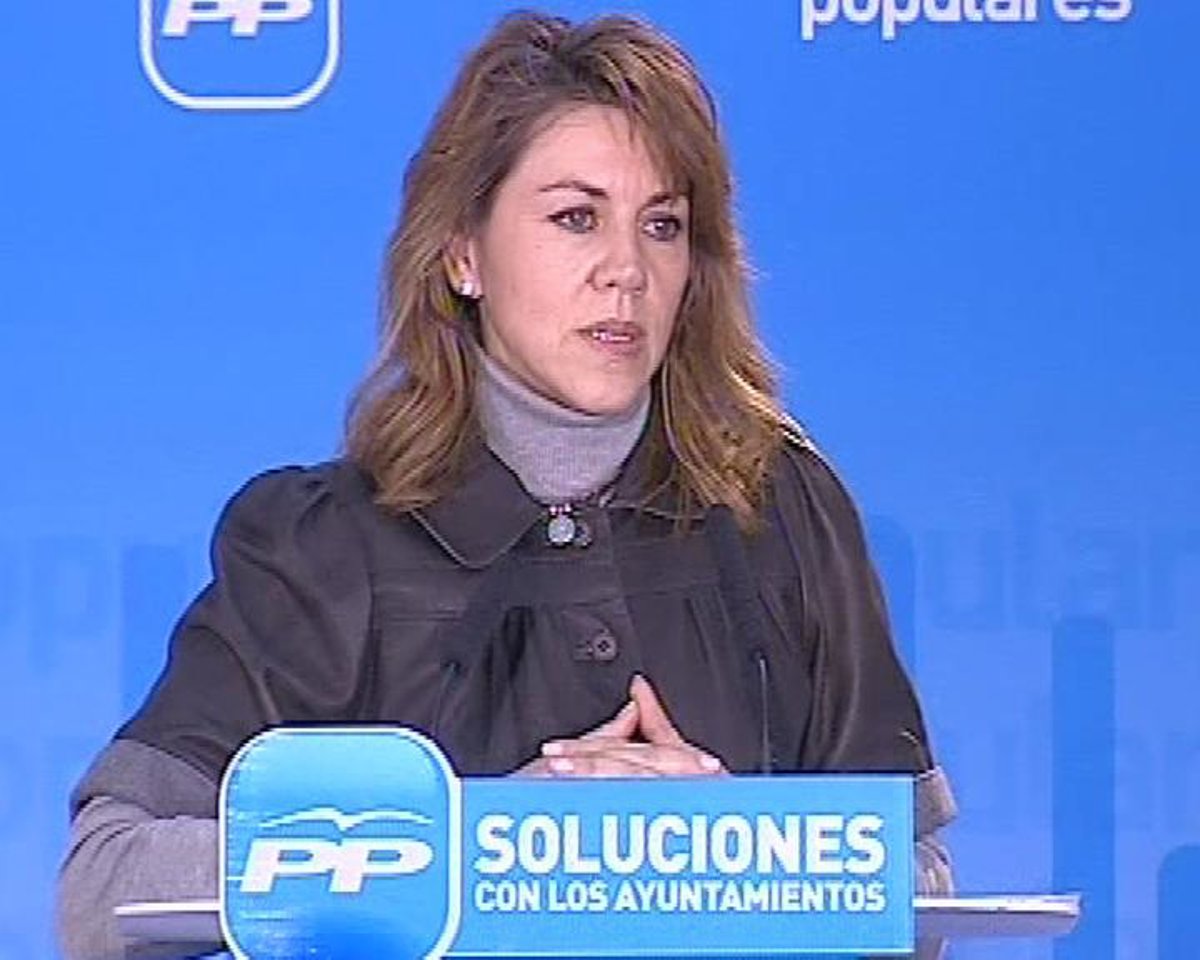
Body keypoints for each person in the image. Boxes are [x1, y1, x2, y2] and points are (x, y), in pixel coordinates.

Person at [57, 10, 956, 959]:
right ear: (463, 252)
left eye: (662, 226)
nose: (627, 272)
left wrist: (730, 848)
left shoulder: (784, 510)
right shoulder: (320, 548)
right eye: (576, 218)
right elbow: (104, 890)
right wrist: (487, 848)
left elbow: (919, 885)